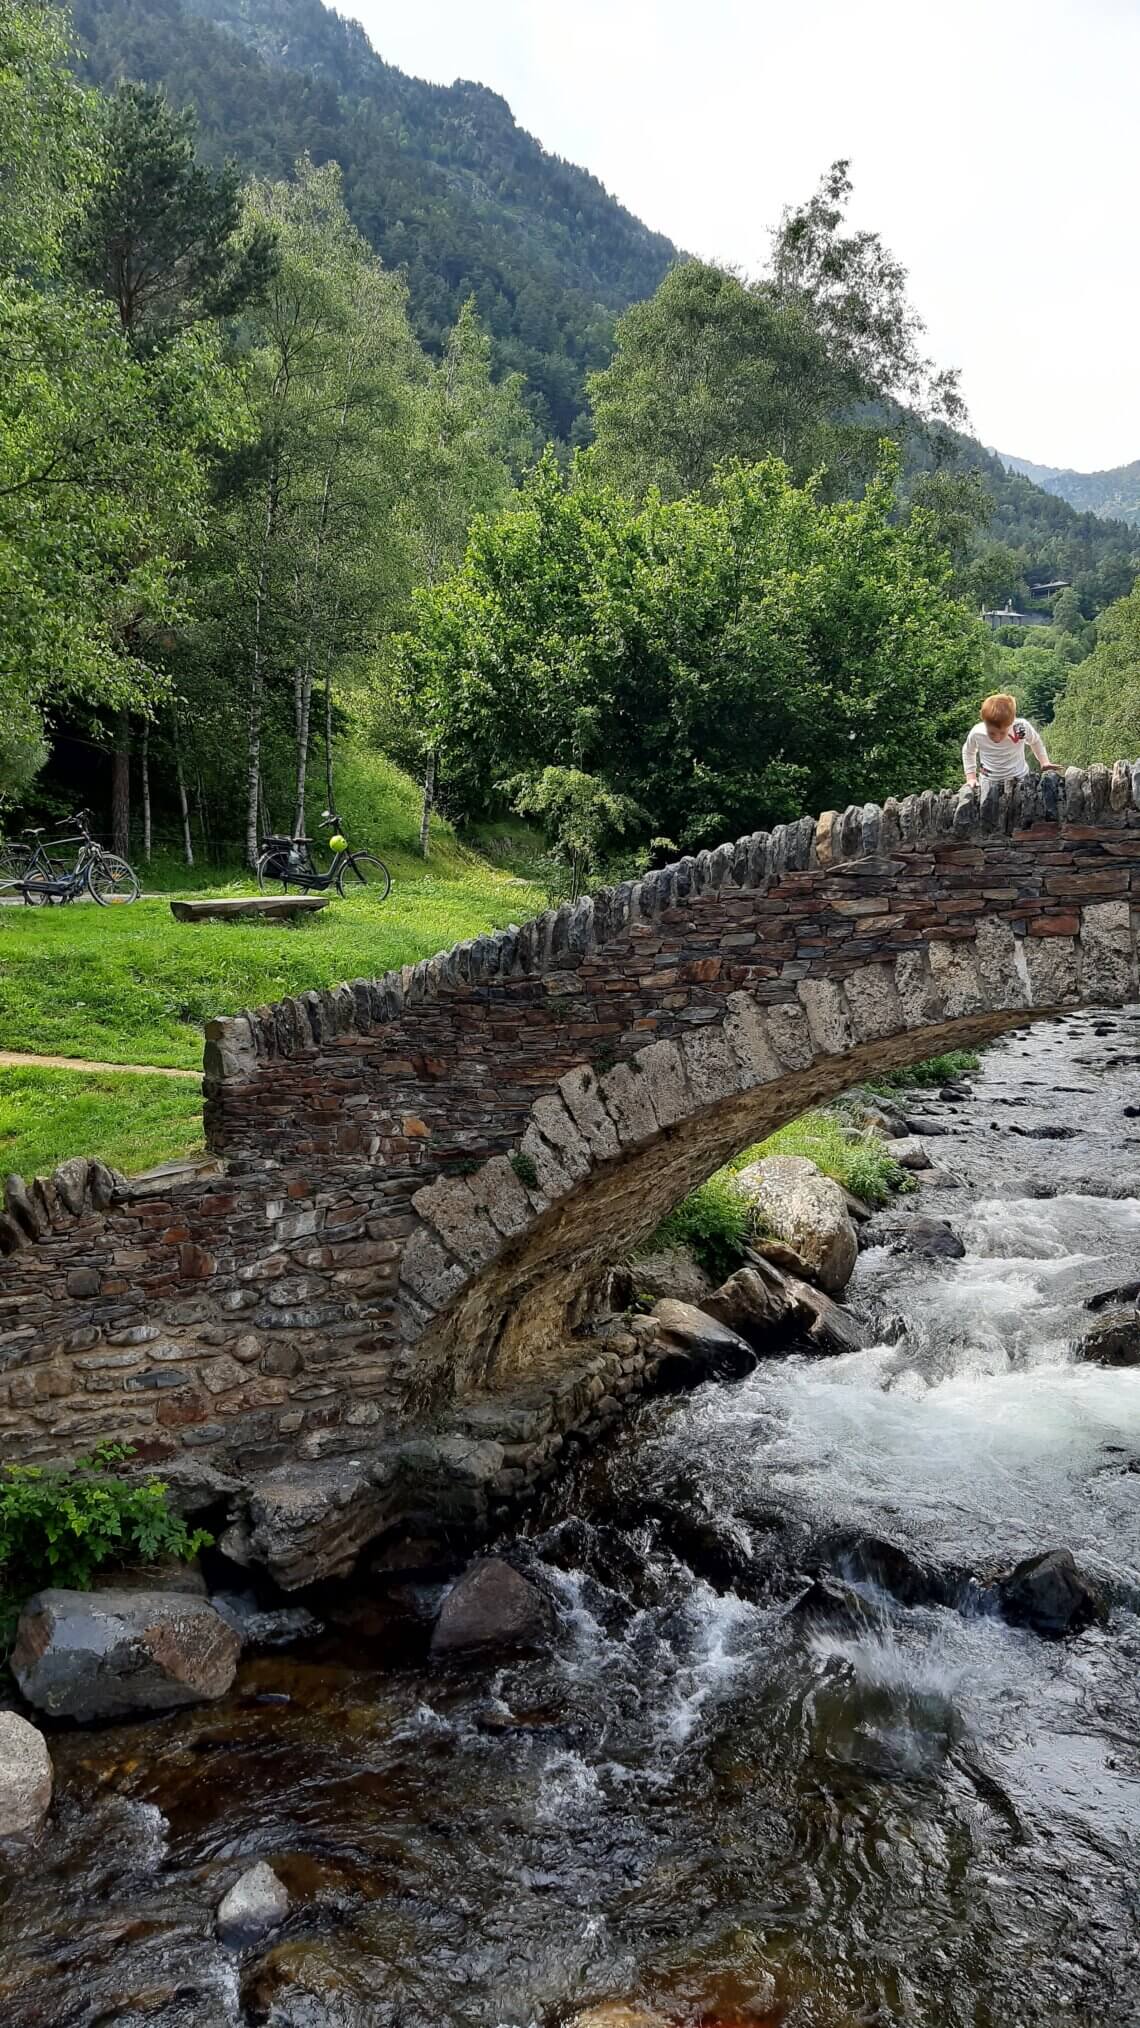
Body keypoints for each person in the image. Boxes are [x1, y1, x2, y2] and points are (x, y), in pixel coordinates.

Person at [962, 692, 1056, 786]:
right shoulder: (977, 732)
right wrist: (971, 777)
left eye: (1002, 733)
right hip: (988, 782)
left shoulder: (1020, 728)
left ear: (1012, 722)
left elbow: (1035, 741)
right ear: (984, 722)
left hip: (1020, 779)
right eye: (991, 733)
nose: (997, 738)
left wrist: (1044, 762)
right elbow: (968, 751)